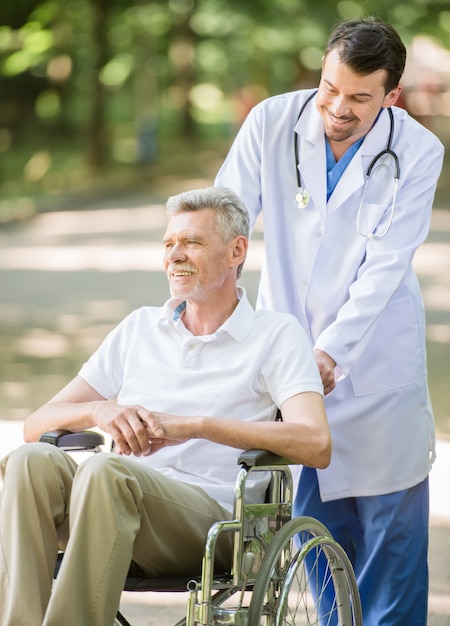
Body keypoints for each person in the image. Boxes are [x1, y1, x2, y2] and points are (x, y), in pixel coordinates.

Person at [0, 186, 331, 626]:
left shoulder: (275, 335)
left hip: (216, 522)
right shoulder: (141, 327)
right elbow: (36, 423)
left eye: (192, 242)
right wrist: (98, 412)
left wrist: (195, 425)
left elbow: (316, 443)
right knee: (30, 460)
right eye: (169, 243)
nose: (175, 255)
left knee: (106, 470)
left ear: (236, 251)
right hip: (111, 507)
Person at [215, 17, 444, 626]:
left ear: (392, 95)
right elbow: (225, 223)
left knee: (390, 559)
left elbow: (386, 266)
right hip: (291, 364)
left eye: (359, 98)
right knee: (316, 540)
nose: (337, 109)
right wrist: (219, 316)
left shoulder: (418, 151)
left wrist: (329, 354)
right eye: (328, 89)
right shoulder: (272, 121)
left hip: (375, 366)